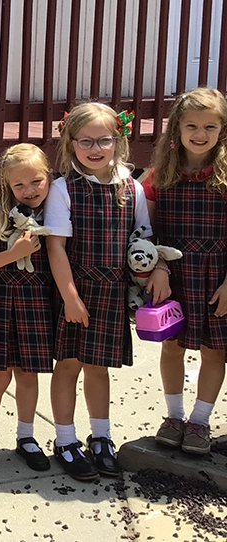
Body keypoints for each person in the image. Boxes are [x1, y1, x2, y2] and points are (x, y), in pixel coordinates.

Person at [44, 102, 150, 481]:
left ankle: (101, 436)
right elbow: (55, 247)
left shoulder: (131, 187)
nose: (95, 148)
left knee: (98, 366)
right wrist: (70, 298)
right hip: (75, 288)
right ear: (71, 143)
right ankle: (65, 439)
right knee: (68, 364)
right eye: (85, 141)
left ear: (117, 140)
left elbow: (143, 240)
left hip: (112, 291)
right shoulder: (63, 188)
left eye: (104, 140)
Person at [143, 88, 227, 456]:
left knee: (214, 351)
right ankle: (174, 416)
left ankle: (199, 421)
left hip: (219, 278)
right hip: (173, 276)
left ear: (222, 130)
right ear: (176, 128)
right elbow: (146, 229)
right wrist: (158, 267)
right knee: (172, 346)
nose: (200, 133)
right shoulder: (160, 175)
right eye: (191, 125)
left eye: (210, 126)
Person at [0, 144, 55, 472]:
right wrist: (14, 252)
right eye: (20, 185)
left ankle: (26, 436)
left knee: (29, 376)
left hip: (37, 305)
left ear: (48, 177)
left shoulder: (54, 211)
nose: (29, 191)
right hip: (1, 303)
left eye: (36, 181)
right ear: (6, 184)